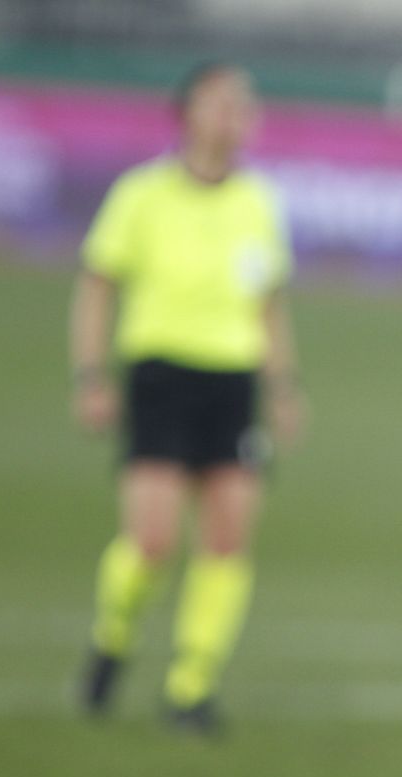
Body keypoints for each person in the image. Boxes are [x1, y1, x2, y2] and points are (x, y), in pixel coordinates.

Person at [70, 61, 301, 734]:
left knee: (228, 540)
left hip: (233, 384)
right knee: (151, 541)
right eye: (223, 103)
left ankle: (191, 685)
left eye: (244, 104)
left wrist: (283, 387)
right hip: (161, 377)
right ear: (189, 113)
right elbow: (96, 285)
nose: (236, 115)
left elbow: (269, 306)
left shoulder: (258, 200)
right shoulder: (142, 194)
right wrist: (90, 374)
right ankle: (113, 635)